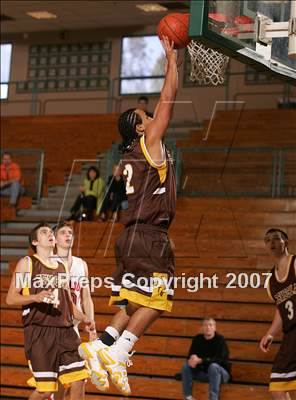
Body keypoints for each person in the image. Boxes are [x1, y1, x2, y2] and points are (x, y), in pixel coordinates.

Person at [78, 35, 179, 396]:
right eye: (144, 116)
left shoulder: (132, 156)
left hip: (131, 235)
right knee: (160, 299)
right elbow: (169, 98)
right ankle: (120, 351)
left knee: (133, 300)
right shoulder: (149, 143)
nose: (151, 116)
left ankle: (101, 344)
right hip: (149, 235)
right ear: (140, 128)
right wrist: (171, 59)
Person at [6, 222, 95, 400]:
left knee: (80, 379)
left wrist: (86, 319)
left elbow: (69, 304)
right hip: (40, 331)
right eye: (44, 232)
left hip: (66, 331)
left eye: (50, 232)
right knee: (46, 390)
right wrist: (35, 297)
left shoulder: (62, 268)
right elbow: (11, 298)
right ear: (35, 242)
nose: (50, 234)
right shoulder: (27, 263)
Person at [53, 221, 97, 399]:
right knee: (73, 378)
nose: (68, 235)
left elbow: (86, 297)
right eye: (63, 232)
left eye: (70, 232)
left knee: (71, 380)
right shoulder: (49, 263)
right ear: (54, 239)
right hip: (55, 327)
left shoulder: (81, 264)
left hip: (74, 327)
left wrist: (91, 325)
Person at [260, 229, 296, 399]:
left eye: (276, 238)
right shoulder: (271, 281)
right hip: (290, 335)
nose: (272, 242)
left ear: (286, 242)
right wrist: (270, 333)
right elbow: (281, 311)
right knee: (277, 388)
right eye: (268, 240)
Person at [181, 318, 231, 400]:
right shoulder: (197, 339)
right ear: (202, 328)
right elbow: (190, 356)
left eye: (210, 325)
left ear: (214, 328)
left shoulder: (220, 340)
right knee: (186, 366)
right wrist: (192, 359)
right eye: (205, 325)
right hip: (204, 374)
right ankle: (188, 397)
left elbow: (220, 361)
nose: (208, 327)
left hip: (221, 374)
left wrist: (201, 360)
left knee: (213, 366)